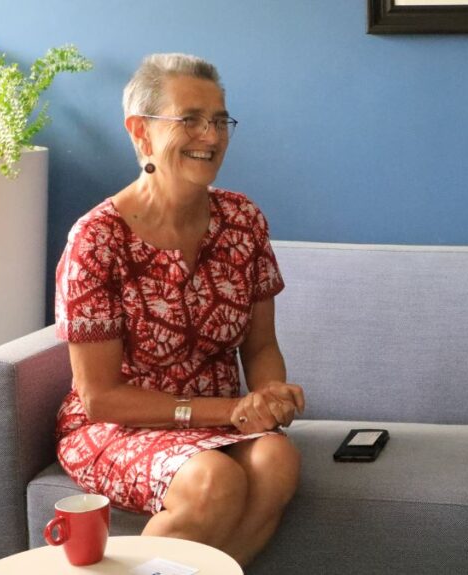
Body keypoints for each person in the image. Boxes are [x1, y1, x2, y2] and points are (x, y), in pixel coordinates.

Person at [54, 53, 304, 567]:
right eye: (189, 119)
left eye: (218, 120)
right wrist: (226, 411)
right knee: (213, 479)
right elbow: (99, 398)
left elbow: (261, 346)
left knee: (278, 460)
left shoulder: (243, 220)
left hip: (219, 424)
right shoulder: (97, 239)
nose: (210, 137)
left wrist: (269, 397)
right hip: (121, 425)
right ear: (140, 131)